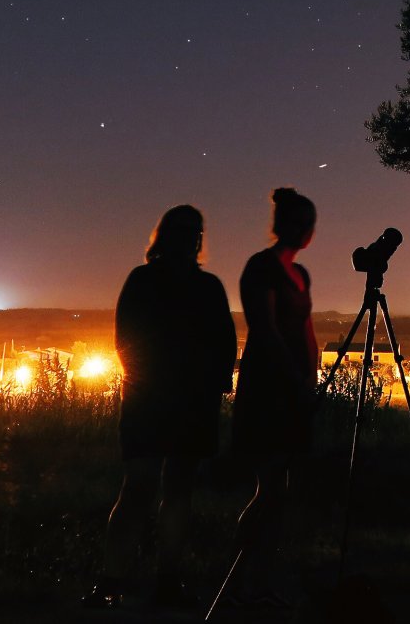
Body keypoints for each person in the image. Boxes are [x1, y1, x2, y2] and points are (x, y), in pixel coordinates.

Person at [87, 204, 237, 609]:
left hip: (172, 403)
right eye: (186, 232)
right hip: (161, 402)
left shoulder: (169, 283)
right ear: (169, 236)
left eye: (195, 232)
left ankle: (139, 581)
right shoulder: (174, 284)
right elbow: (129, 342)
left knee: (169, 491)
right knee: (145, 489)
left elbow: (223, 343)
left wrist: (209, 386)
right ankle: (120, 581)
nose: (191, 239)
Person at [227, 186, 320, 606]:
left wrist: (312, 374)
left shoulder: (301, 275)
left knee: (276, 487)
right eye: (303, 224)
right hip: (268, 388)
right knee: (271, 487)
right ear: (292, 226)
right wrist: (294, 376)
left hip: (294, 388)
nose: (306, 232)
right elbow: (263, 329)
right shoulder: (261, 268)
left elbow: (305, 327)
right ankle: (245, 573)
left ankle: (252, 573)